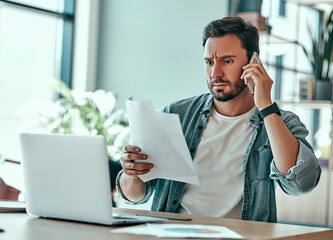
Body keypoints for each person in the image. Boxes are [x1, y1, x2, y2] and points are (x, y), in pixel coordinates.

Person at [116, 16, 321, 223]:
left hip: (240, 236)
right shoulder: (177, 114)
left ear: (253, 63)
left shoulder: (280, 122)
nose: (215, 73)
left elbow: (301, 184)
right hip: (171, 233)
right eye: (209, 62)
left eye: (227, 61)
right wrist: (131, 173)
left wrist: (266, 107)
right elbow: (137, 196)